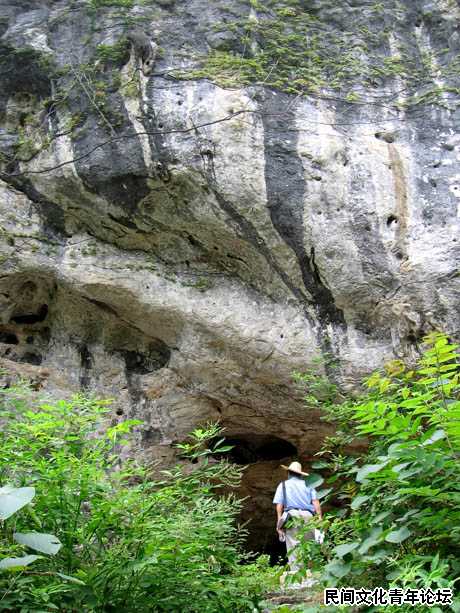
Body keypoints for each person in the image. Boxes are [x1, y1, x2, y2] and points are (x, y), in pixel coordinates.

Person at [273, 461, 322, 577]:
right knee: (309, 544)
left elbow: (279, 505)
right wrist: (319, 518)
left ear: (289, 473)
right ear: (300, 474)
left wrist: (279, 523)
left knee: (293, 545)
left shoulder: (283, 485)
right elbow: (316, 502)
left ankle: (297, 575)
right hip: (308, 516)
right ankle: (311, 575)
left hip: (292, 516)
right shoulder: (308, 485)